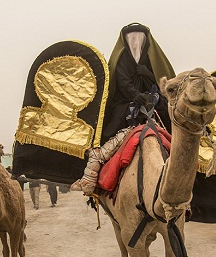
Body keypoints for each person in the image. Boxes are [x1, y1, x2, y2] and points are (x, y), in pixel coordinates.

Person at [71, 22, 175, 195]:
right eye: (131, 37)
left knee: (176, 134)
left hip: (153, 105)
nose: (135, 42)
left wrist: (148, 75)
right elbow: (122, 81)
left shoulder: (152, 58)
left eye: (139, 38)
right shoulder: (121, 58)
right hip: (127, 106)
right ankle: (90, 180)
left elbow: (161, 80)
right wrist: (136, 95)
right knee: (106, 144)